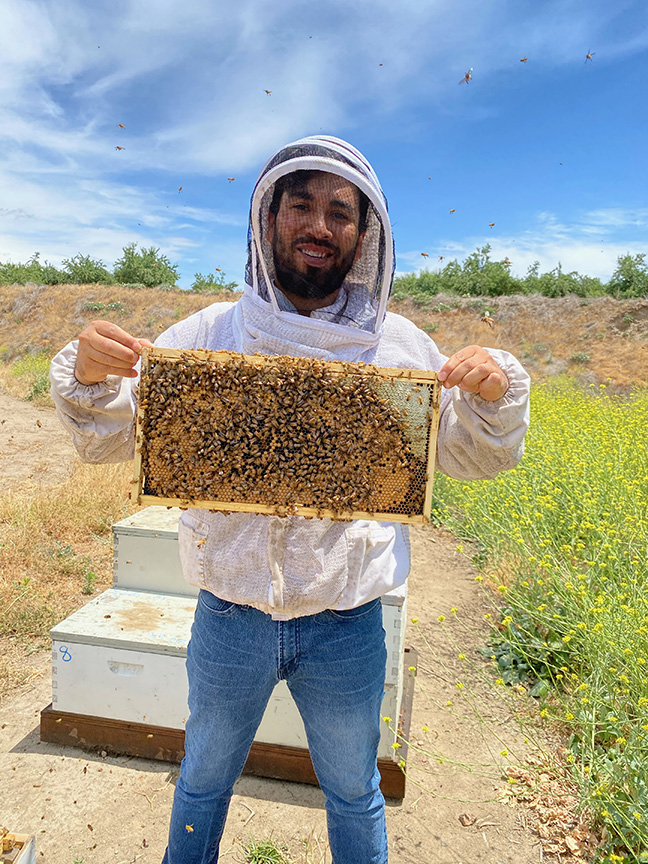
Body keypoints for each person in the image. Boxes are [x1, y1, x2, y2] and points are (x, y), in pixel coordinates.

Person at [50, 135, 530, 864]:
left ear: (364, 237)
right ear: (267, 217)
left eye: (341, 212)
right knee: (204, 780)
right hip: (228, 617)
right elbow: (108, 434)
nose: (319, 225)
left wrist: (495, 394)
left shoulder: (399, 347)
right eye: (301, 204)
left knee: (354, 787)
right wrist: (86, 373)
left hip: (346, 625)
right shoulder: (208, 333)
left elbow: (469, 454)